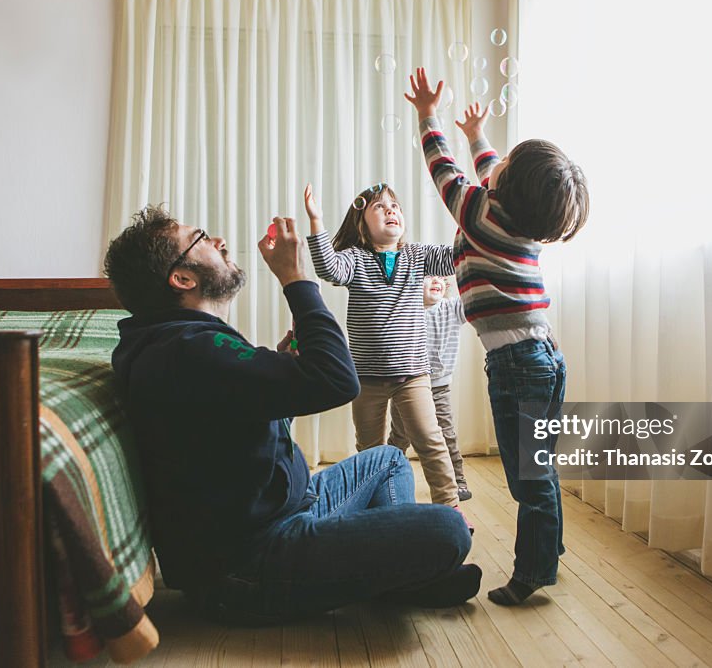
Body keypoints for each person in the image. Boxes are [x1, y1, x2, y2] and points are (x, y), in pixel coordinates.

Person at [103, 205, 480, 624]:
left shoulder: (177, 345)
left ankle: (393, 571)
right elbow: (340, 379)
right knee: (448, 529)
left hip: (290, 510)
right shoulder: (191, 350)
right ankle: (394, 573)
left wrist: (280, 365)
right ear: (183, 278)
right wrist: (295, 277)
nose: (220, 242)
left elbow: (238, 419)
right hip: (254, 562)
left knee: (389, 461)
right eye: (203, 238)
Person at [404, 67, 590, 606]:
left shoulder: (481, 215)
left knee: (527, 478)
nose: (494, 164)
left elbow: (445, 174)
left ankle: (532, 573)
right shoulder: (515, 218)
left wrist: (428, 116)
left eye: (503, 165)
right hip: (539, 357)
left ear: (505, 189)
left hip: (519, 364)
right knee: (539, 467)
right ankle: (546, 548)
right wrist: (478, 136)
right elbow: (490, 170)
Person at [303, 183, 464, 512]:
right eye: (380, 206)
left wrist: (469, 218)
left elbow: (454, 259)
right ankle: (374, 513)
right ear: (362, 224)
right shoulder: (355, 259)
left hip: (413, 375)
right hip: (366, 379)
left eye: (396, 206)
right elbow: (328, 268)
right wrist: (316, 221)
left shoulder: (417, 255)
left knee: (431, 442)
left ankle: (451, 510)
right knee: (370, 451)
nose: (392, 210)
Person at [388, 276, 472, 501]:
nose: (436, 281)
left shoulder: (452, 308)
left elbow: (472, 297)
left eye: (440, 278)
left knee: (446, 433)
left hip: (439, 386)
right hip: (407, 386)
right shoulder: (406, 309)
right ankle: (385, 478)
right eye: (428, 277)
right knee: (400, 435)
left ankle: (458, 480)